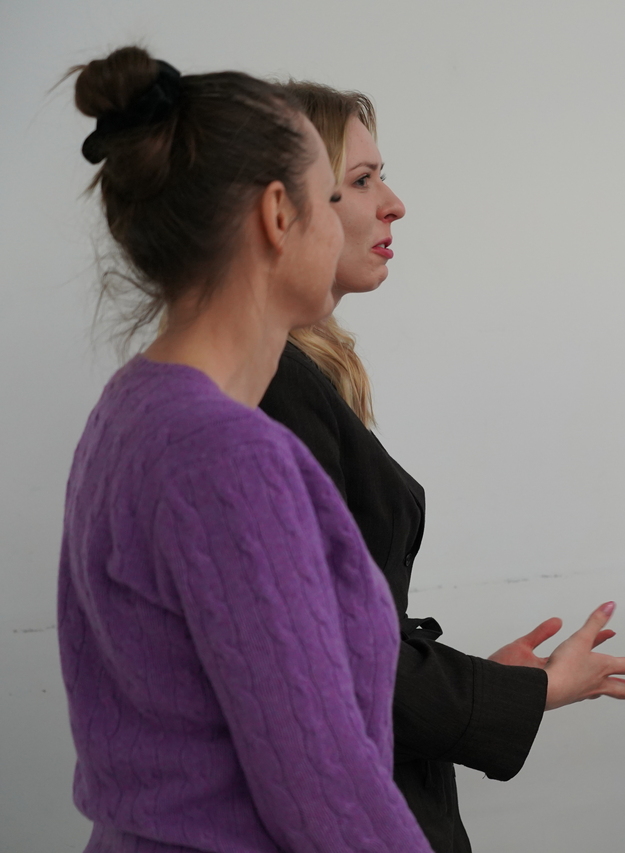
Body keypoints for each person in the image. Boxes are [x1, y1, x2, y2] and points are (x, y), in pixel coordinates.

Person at [258, 82, 625, 853]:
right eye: (364, 180)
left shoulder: (299, 375)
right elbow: (330, 661)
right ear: (283, 208)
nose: (395, 204)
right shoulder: (272, 385)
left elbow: (347, 634)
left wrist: (484, 680)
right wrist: (524, 691)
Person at [58, 48, 434, 852]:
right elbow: (325, 793)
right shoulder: (229, 459)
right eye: (330, 198)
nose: (358, 215)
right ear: (277, 215)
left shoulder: (129, 408)